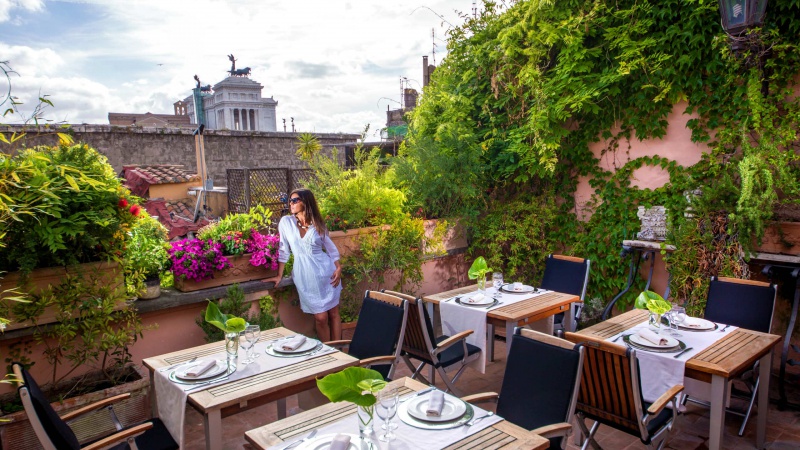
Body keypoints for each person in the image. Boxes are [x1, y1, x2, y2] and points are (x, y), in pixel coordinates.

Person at [265, 189, 342, 341]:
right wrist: (279, 275)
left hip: (327, 273)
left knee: (333, 314)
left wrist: (338, 267)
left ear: (306, 202)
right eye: (290, 200)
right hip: (304, 276)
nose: (291, 203)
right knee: (320, 317)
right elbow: (283, 249)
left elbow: (331, 249)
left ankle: (340, 352)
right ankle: (328, 354)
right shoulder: (286, 223)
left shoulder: (317, 224)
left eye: (295, 200)